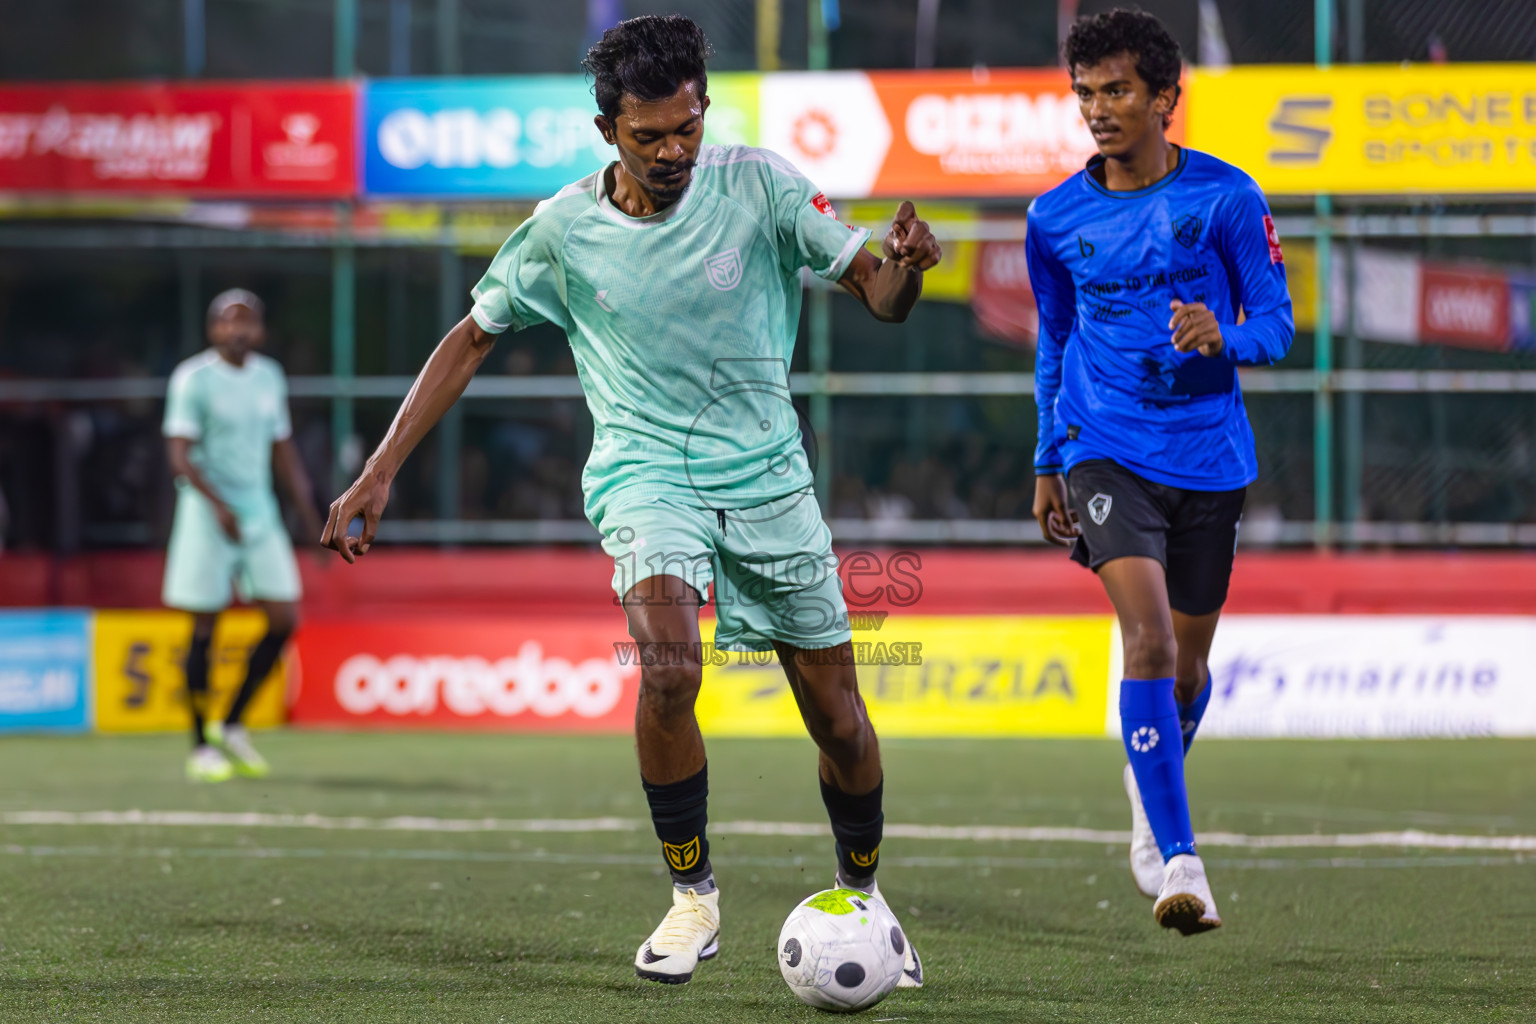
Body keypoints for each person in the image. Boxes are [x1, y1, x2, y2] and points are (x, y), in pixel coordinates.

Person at [323, 14, 939, 987]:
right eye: (648, 135)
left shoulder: (761, 185)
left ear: (703, 111)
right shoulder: (563, 228)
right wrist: (382, 466)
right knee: (666, 670)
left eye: (686, 127)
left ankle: (862, 893)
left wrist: (906, 266)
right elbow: (472, 336)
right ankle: (692, 896)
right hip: (647, 476)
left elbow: (879, 292)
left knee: (838, 716)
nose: (672, 151)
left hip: (770, 475)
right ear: (608, 129)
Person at [1027, 9, 1294, 935]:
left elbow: (1280, 324)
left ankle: (1152, 789)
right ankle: (1182, 861)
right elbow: (1054, 338)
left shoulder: (1225, 199)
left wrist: (1226, 335)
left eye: (1118, 91)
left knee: (1185, 672)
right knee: (1144, 643)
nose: (1098, 110)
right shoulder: (1053, 217)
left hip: (1209, 461)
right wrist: (1047, 457)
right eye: (1086, 93)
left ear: (1166, 100)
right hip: (1104, 448)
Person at [163, 289, 321, 783]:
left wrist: (312, 516)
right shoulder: (194, 378)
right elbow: (179, 454)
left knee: (284, 616)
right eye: (230, 322)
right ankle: (199, 744)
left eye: (249, 321)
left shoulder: (268, 376)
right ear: (213, 330)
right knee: (205, 624)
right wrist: (215, 504)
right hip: (207, 510)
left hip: (256, 509)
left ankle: (231, 722)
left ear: (262, 330)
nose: (240, 330)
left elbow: (284, 452)